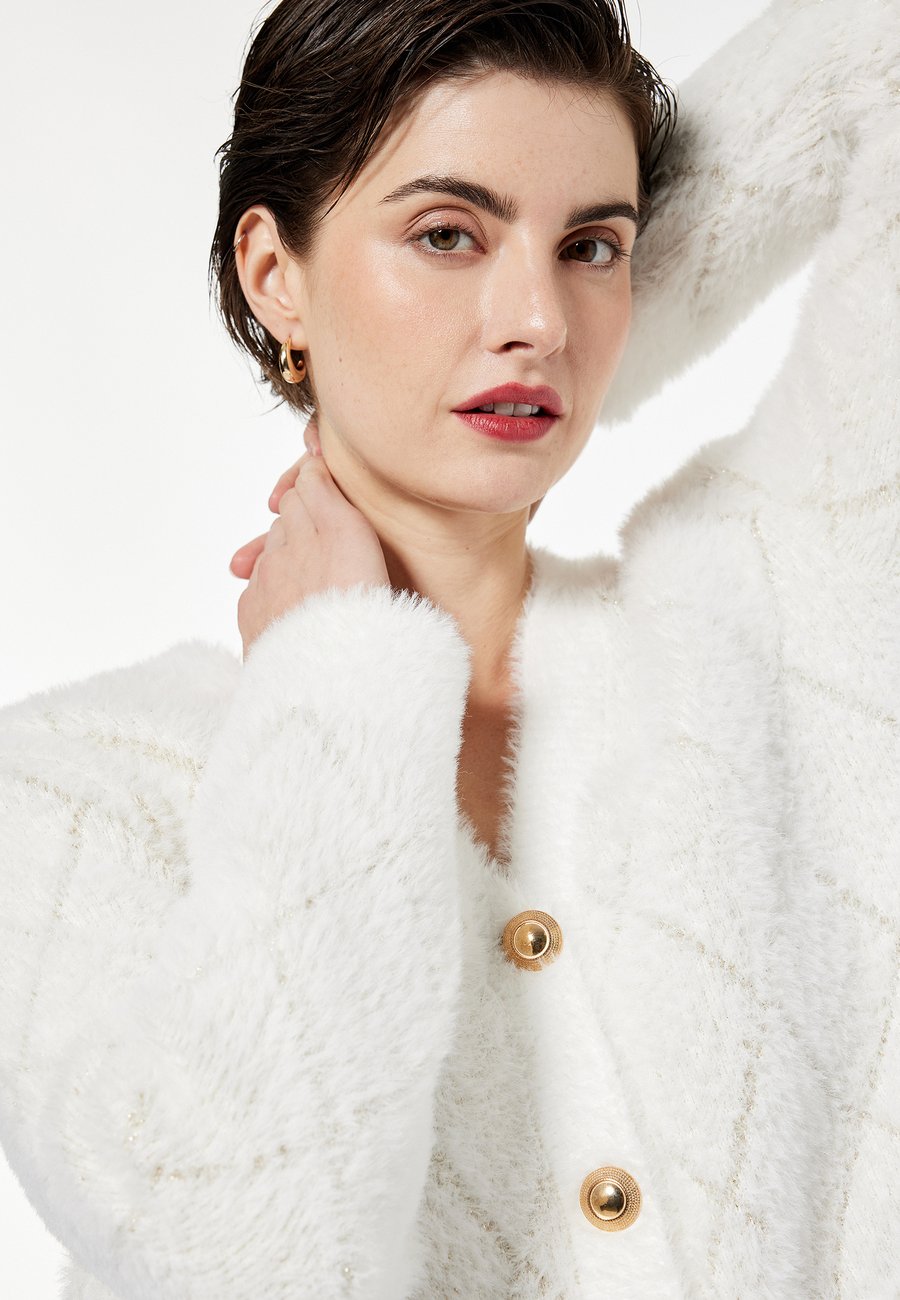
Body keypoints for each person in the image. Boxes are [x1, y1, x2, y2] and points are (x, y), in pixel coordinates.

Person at [0, 0, 896, 1296]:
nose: (539, 319)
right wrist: (335, 687)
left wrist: (622, 304)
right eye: (446, 233)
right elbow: (246, 1261)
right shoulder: (66, 799)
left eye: (591, 247)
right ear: (275, 275)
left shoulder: (764, 641)